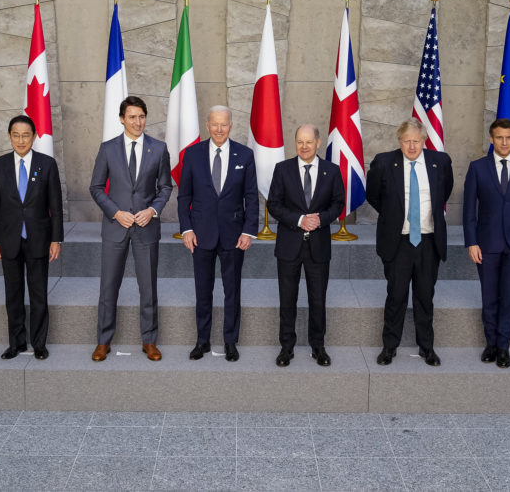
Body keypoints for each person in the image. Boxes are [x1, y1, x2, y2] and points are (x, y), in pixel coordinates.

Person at [89, 96, 173, 362]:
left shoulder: (158, 149)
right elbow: (96, 187)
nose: (138, 122)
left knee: (148, 287)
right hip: (116, 226)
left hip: (146, 227)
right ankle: (103, 341)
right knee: (108, 287)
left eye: (142, 116)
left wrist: (152, 210)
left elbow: (165, 187)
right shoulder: (108, 149)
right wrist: (115, 212)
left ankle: (149, 341)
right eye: (132, 117)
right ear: (122, 119)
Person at [366, 118, 453, 367]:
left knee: (425, 297)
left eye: (416, 141)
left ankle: (427, 348)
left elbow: (444, 192)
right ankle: (389, 347)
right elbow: (373, 195)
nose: (412, 146)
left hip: (428, 241)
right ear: (399, 141)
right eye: (407, 141)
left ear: (424, 141)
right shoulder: (384, 162)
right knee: (396, 296)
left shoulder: (440, 162)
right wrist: (394, 214)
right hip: (398, 242)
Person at [178, 105, 259, 362]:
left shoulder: (244, 155)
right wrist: (186, 229)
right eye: (215, 124)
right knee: (203, 290)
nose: (219, 129)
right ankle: (202, 341)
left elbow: (251, 197)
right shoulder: (192, 155)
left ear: (231, 125)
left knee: (232, 290)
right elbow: (184, 197)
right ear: (207, 125)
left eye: (224, 124)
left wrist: (249, 231)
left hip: (234, 235)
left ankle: (230, 341)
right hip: (200, 235)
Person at [463, 118, 510, 369]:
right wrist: (471, 242)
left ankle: (504, 346)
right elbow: (468, 211)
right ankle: (491, 344)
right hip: (486, 243)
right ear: (491, 138)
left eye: (509, 137)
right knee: (489, 296)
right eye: (499, 137)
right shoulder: (477, 167)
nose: (504, 142)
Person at [266, 124, 345, 367]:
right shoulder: (283, 169)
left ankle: (318, 347)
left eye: (308, 142)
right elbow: (274, 205)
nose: (303, 146)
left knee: (317, 300)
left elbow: (338, 203)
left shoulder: (331, 171)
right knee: (287, 300)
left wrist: (320, 219)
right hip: (289, 245)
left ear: (318, 143)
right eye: (300, 141)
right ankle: (286, 348)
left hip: (318, 246)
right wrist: (300, 220)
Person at [0, 115, 63, 361]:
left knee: (39, 293)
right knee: (13, 295)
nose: (21, 140)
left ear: (34, 137)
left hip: (39, 238)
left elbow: (56, 207)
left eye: (26, 135)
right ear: (9, 136)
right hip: (8, 240)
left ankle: (39, 344)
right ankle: (16, 343)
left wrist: (56, 239)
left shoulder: (47, 164)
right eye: (16, 135)